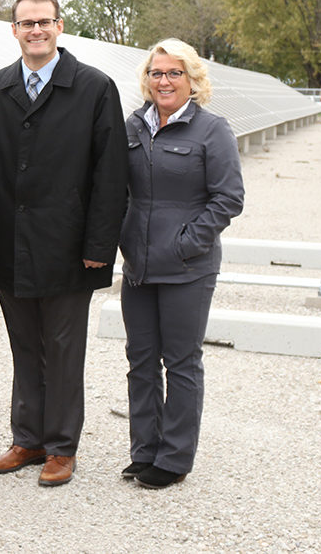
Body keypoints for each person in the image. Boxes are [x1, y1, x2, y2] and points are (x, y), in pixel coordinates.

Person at [0, 0, 128, 487]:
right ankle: (27, 439)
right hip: (12, 242)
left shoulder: (94, 88)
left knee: (63, 349)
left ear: (59, 27)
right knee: (24, 345)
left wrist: (98, 248)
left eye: (44, 21)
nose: (35, 30)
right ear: (14, 30)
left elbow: (110, 175)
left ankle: (62, 446)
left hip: (68, 245)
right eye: (26, 23)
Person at [119, 38, 244, 489]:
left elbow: (229, 198)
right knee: (141, 361)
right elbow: (117, 190)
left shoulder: (212, 130)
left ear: (192, 80)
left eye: (174, 73)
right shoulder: (132, 126)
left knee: (182, 362)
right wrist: (122, 239)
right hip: (139, 266)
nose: (164, 81)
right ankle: (145, 451)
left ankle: (173, 458)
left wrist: (188, 242)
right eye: (157, 73)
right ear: (147, 80)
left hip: (188, 267)